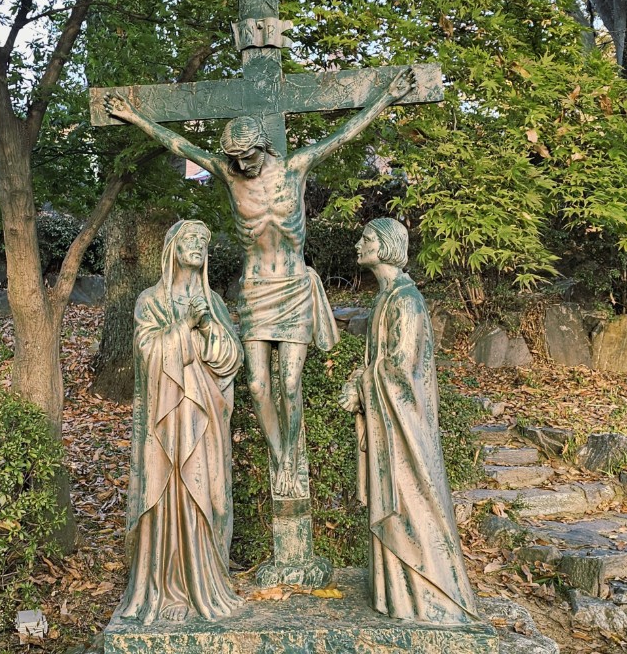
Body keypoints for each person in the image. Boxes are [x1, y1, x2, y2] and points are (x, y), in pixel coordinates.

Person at [104, 69, 414, 499]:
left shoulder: (294, 168)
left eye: (248, 156)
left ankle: (290, 458)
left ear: (263, 147)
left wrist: (386, 98)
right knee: (256, 385)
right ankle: (279, 454)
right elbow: (180, 145)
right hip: (255, 289)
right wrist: (136, 117)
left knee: (290, 384)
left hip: (293, 286)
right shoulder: (230, 175)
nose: (242, 164)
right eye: (235, 158)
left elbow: (342, 135)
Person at [338, 218, 479, 624]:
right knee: (399, 504)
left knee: (413, 502)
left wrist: (361, 385)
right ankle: (401, 597)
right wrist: (360, 380)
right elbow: (382, 364)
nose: (358, 244)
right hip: (389, 423)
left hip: (404, 426)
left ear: (384, 246)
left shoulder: (406, 300)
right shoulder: (386, 298)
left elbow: (401, 369)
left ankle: (432, 595)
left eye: (366, 238)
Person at [117, 220, 245, 624]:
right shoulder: (150, 302)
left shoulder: (214, 303)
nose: (198, 246)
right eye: (190, 239)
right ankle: (170, 588)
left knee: (205, 492)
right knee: (170, 491)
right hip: (166, 421)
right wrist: (184, 325)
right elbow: (147, 355)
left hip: (204, 420)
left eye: (204, 241)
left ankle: (205, 582)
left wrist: (206, 326)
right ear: (172, 247)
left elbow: (231, 360)